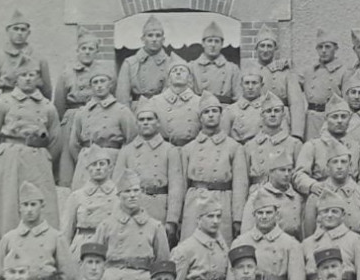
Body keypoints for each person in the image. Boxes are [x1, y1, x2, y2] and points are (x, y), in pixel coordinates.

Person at [0, 61, 62, 231]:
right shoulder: (3, 103)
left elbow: (55, 142)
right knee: (8, 207)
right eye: (23, 75)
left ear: (38, 79)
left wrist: (44, 158)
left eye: (31, 75)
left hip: (37, 161)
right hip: (10, 160)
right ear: (16, 79)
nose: (27, 79)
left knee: (41, 204)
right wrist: (3, 158)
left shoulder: (48, 107)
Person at [0, 181, 77, 280]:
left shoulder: (55, 237)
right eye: (25, 205)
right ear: (19, 208)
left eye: (33, 204)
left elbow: (68, 276)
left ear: (42, 206)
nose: (29, 209)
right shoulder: (9, 238)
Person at [94, 171, 172, 280]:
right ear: (119, 195)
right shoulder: (106, 225)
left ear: (141, 193)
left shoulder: (155, 226)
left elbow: (162, 265)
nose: (132, 195)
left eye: (136, 190)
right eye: (127, 191)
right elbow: (95, 261)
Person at [179, 92, 249, 245]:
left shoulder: (234, 147)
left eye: (214, 111)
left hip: (222, 201)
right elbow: (181, 186)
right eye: (206, 112)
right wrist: (177, 216)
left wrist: (237, 217)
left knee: (220, 246)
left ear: (221, 115)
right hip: (195, 202)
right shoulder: (188, 149)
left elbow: (239, 185)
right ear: (200, 117)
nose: (210, 115)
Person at [294, 97, 360, 233]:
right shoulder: (313, 146)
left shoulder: (357, 147)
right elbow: (299, 175)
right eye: (335, 117)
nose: (339, 120)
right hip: (322, 200)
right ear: (326, 119)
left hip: (351, 202)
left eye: (343, 116)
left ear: (349, 119)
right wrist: (312, 185)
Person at [112, 103, 185, 245]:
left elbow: (176, 187)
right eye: (141, 119)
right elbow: (117, 186)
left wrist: (172, 220)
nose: (145, 122)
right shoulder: (127, 151)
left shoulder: (170, 150)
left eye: (150, 119)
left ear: (158, 123)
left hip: (159, 207)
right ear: (136, 124)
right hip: (133, 207)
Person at [231, 198, 306, 280]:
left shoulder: (291, 244)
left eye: (268, 213)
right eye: (260, 213)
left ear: (277, 215)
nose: (264, 217)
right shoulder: (240, 242)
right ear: (254, 215)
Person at [66, 63, 137, 190]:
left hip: (113, 163)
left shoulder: (122, 111)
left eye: (102, 81)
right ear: (91, 86)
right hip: (87, 164)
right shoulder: (82, 112)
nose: (99, 85)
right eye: (95, 82)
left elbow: (132, 140)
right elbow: (74, 144)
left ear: (110, 84)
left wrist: (120, 161)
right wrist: (85, 159)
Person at [301, 190, 360, 280]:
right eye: (325, 211)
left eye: (334, 211)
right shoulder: (306, 244)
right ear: (319, 216)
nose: (329, 215)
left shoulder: (357, 241)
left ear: (343, 215)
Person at [54, 32, 106, 184]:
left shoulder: (103, 73)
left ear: (96, 52)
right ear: (78, 50)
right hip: (71, 120)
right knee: (68, 167)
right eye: (83, 48)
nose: (87, 52)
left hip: (96, 119)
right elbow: (59, 104)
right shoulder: (67, 73)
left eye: (91, 49)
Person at [0, 10, 51, 109]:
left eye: (23, 30)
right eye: (15, 29)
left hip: (33, 109)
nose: (19, 33)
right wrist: (1, 111)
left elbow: (47, 92)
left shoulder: (39, 58)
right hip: (8, 109)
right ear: (8, 31)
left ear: (28, 33)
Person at [305, 150, 360, 238]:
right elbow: (309, 235)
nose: (339, 166)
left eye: (343, 162)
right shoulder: (317, 194)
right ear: (327, 166)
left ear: (350, 166)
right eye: (335, 162)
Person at [116, 14, 185, 110]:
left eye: (158, 35)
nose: (154, 39)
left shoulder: (171, 63)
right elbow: (122, 98)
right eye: (150, 35)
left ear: (163, 40)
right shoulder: (130, 63)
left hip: (164, 110)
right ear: (143, 39)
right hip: (137, 111)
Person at [60, 146, 119, 257]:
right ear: (87, 169)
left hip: (110, 245)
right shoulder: (77, 196)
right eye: (94, 165)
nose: (98, 168)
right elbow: (66, 231)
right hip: (83, 246)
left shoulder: (118, 195)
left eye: (102, 164)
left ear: (110, 167)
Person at [251, 23, 307, 140]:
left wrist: (297, 133)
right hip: (256, 124)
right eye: (262, 46)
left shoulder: (285, 72)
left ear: (275, 49)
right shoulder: (250, 72)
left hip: (282, 124)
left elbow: (296, 104)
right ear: (256, 48)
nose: (266, 50)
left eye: (269, 46)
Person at [242, 92, 302, 188]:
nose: (273, 114)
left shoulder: (294, 144)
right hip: (257, 195)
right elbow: (243, 181)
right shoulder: (250, 146)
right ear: (262, 115)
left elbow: (299, 177)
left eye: (277, 111)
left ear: (283, 115)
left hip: (285, 195)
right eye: (268, 111)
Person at [241, 149, 304, 240]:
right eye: (282, 170)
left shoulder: (297, 198)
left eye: (289, 170)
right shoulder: (258, 196)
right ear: (271, 172)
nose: (286, 174)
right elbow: (246, 231)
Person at [301, 28, 345, 140]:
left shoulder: (344, 71)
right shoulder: (309, 71)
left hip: (333, 120)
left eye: (328, 46)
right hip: (311, 120)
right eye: (320, 47)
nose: (324, 50)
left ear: (336, 48)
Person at [149, 61, 203, 146]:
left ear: (189, 78)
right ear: (169, 79)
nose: (178, 72)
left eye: (182, 70)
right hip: (164, 150)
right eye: (174, 71)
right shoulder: (155, 101)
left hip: (192, 150)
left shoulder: (199, 102)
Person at [190, 20, 241, 104]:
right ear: (203, 43)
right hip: (200, 110)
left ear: (222, 44)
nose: (213, 45)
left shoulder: (232, 69)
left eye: (217, 41)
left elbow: (239, 97)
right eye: (209, 41)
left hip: (225, 111)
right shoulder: (192, 67)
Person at [222, 63, 269, 143]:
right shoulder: (230, 111)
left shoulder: (269, 108)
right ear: (241, 85)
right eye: (247, 83)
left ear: (262, 85)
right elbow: (224, 140)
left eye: (254, 83)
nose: (250, 87)